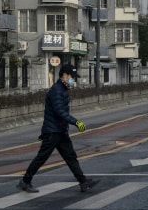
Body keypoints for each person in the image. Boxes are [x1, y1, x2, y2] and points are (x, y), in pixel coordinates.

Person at [17, 63, 99, 193]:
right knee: (41, 158)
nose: (73, 80)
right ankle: (25, 181)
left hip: (60, 131)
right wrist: (76, 122)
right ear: (65, 75)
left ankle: (83, 182)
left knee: (70, 157)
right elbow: (59, 111)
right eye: (72, 77)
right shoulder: (56, 90)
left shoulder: (63, 89)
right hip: (52, 131)